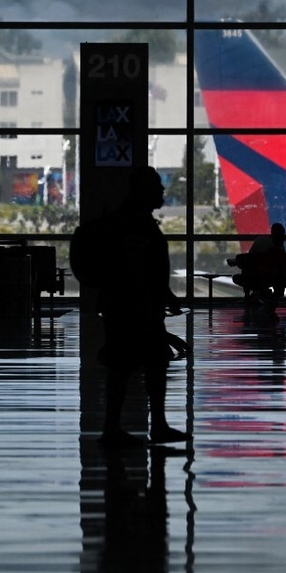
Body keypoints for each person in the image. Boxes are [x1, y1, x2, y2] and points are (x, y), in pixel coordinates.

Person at [97, 166, 189, 447]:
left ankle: (119, 427)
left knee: (131, 365)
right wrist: (156, 298)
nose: (162, 191)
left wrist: (164, 295)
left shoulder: (133, 220)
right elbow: (138, 268)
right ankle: (144, 426)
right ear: (142, 190)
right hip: (134, 308)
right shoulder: (134, 223)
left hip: (132, 306)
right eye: (157, 186)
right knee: (137, 365)